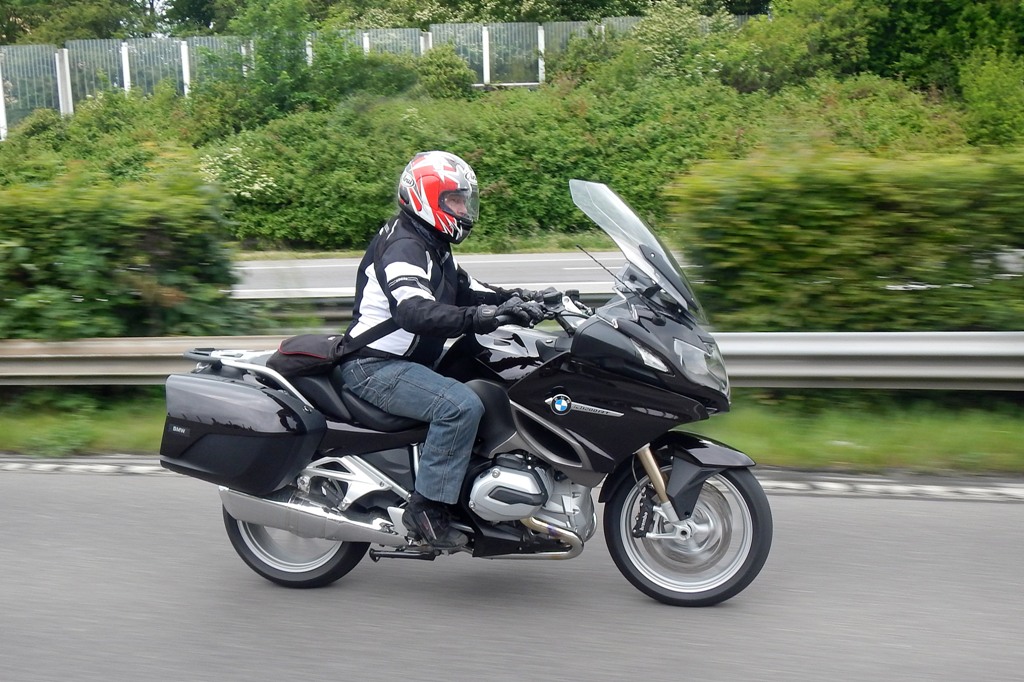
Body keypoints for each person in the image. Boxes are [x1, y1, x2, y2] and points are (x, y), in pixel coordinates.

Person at [339, 151, 548, 549]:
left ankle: (472, 484)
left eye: (464, 200)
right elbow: (413, 310)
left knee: (493, 368)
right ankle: (427, 509)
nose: (464, 209)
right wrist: (483, 317)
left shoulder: (430, 242)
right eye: (454, 200)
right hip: (375, 365)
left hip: (411, 360)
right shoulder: (403, 245)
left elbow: (466, 289)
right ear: (425, 198)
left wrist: (523, 299)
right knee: (459, 406)